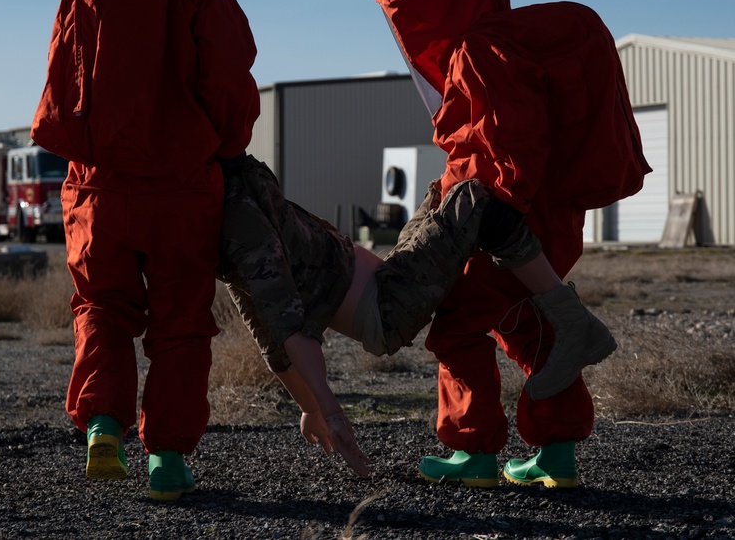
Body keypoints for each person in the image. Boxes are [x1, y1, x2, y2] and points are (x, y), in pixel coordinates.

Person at [370, 0, 651, 488]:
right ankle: (556, 452)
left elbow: (506, 149)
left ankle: (471, 451)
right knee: (529, 324)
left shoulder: (479, 48)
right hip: (555, 219)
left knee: (456, 326)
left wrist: (477, 215)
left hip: (504, 222)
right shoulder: (522, 44)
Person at [30, 0, 259, 501]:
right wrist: (228, 149)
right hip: (182, 189)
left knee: (101, 306)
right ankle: (169, 459)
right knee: (181, 325)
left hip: (97, 186)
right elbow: (230, 93)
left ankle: (104, 422)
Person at [217, 153, 620, 479]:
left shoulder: (238, 182)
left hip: (390, 278)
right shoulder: (239, 222)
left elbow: (268, 334)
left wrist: (309, 408)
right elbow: (281, 328)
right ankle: (570, 315)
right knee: (472, 199)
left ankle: (499, 449)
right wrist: (326, 408)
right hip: (388, 304)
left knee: (439, 193)